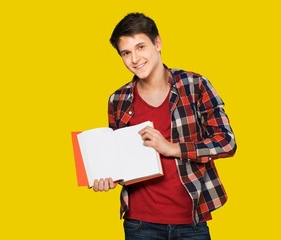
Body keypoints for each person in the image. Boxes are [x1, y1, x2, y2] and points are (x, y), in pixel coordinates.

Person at [92, 12, 237, 240]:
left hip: (191, 221)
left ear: (157, 43)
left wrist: (172, 148)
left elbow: (226, 142)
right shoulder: (117, 100)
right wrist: (107, 176)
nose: (135, 59)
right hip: (140, 224)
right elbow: (121, 160)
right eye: (126, 53)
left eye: (141, 47)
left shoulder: (195, 85)